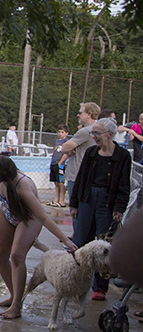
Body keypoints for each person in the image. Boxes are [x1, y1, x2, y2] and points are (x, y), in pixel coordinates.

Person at [0, 156, 77, 320]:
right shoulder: (2, 177)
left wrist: (65, 240)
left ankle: (17, 305)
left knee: (17, 256)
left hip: (30, 218)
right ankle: (13, 296)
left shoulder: (23, 186)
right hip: (8, 210)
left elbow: (44, 218)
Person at [69, 117, 131, 301]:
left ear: (110, 135)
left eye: (97, 133)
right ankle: (78, 280)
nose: (94, 136)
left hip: (108, 202)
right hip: (88, 199)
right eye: (93, 133)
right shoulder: (90, 153)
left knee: (104, 245)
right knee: (82, 241)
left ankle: (100, 287)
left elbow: (124, 185)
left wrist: (119, 208)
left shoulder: (123, 156)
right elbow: (81, 179)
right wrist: (74, 203)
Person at [60, 102, 99, 199]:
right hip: (89, 175)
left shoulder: (85, 131)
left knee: (75, 208)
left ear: (89, 115)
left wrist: (70, 149)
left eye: (80, 113)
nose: (78, 115)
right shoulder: (98, 128)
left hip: (77, 175)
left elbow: (64, 147)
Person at [48, 125, 69, 207]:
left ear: (66, 133)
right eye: (59, 132)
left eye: (62, 132)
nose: (60, 133)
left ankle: (62, 200)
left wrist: (60, 163)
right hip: (54, 162)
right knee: (56, 182)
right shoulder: (57, 141)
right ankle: (56, 199)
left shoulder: (66, 141)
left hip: (60, 164)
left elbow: (65, 153)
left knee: (60, 182)